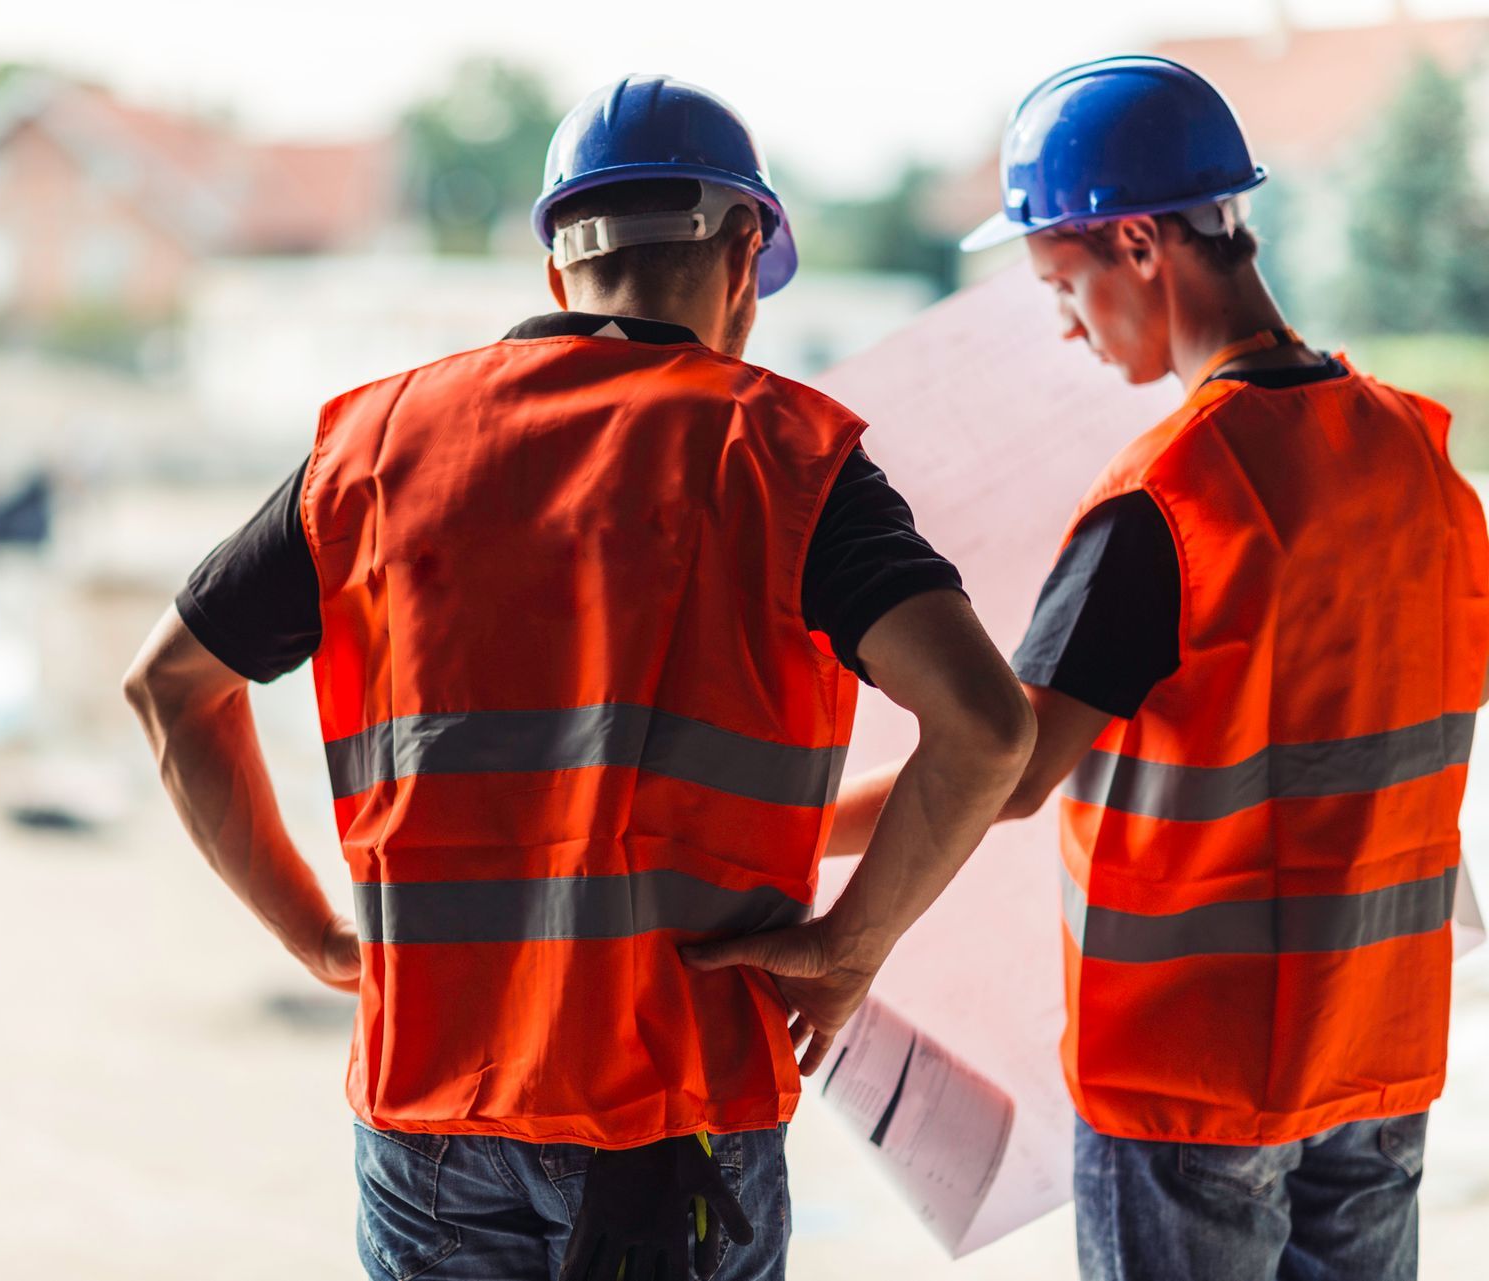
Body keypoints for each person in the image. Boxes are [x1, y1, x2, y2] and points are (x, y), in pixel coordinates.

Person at [124, 74, 1033, 1281]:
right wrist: (851, 948)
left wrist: (317, 937)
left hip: (432, 1106)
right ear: (746, 252)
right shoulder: (782, 454)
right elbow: (984, 727)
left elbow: (170, 689)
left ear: (558, 270)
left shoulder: (374, 449)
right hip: (679, 1111)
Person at [829, 55, 1489, 1281]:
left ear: (1134, 241)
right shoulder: (1421, 460)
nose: (1063, 323)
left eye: (1057, 281)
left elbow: (1005, 769)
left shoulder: (1171, 499)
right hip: (1380, 1052)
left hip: (1194, 1087)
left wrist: (767, 831)